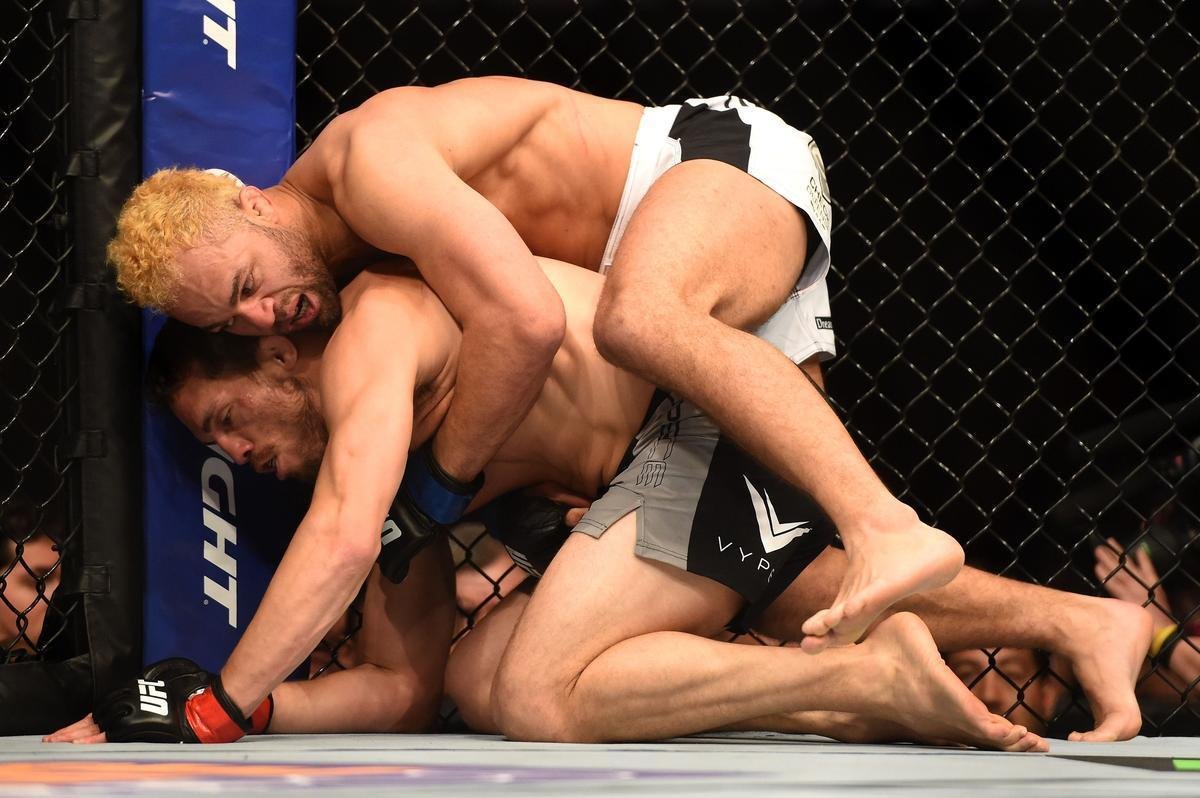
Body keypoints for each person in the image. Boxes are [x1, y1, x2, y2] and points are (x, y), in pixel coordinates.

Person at [105, 79, 965, 711]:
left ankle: (886, 526)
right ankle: (1064, 635)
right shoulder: (348, 283)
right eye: (235, 319)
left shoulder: (372, 171)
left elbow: (525, 321)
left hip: (705, 170)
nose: (265, 314)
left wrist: (438, 489)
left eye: (250, 281)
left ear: (253, 203)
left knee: (639, 315)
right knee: (768, 569)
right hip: (661, 342)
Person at [77, 259, 1148, 747]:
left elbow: (348, 534)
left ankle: (860, 681)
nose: (241, 453)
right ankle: (1081, 617)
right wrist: (262, 707)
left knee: (542, 691)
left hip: (709, 419)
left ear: (276, 351)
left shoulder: (373, 333)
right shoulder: (377, 459)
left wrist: (215, 703)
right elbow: (404, 688)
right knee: (482, 677)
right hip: (669, 485)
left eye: (226, 421)